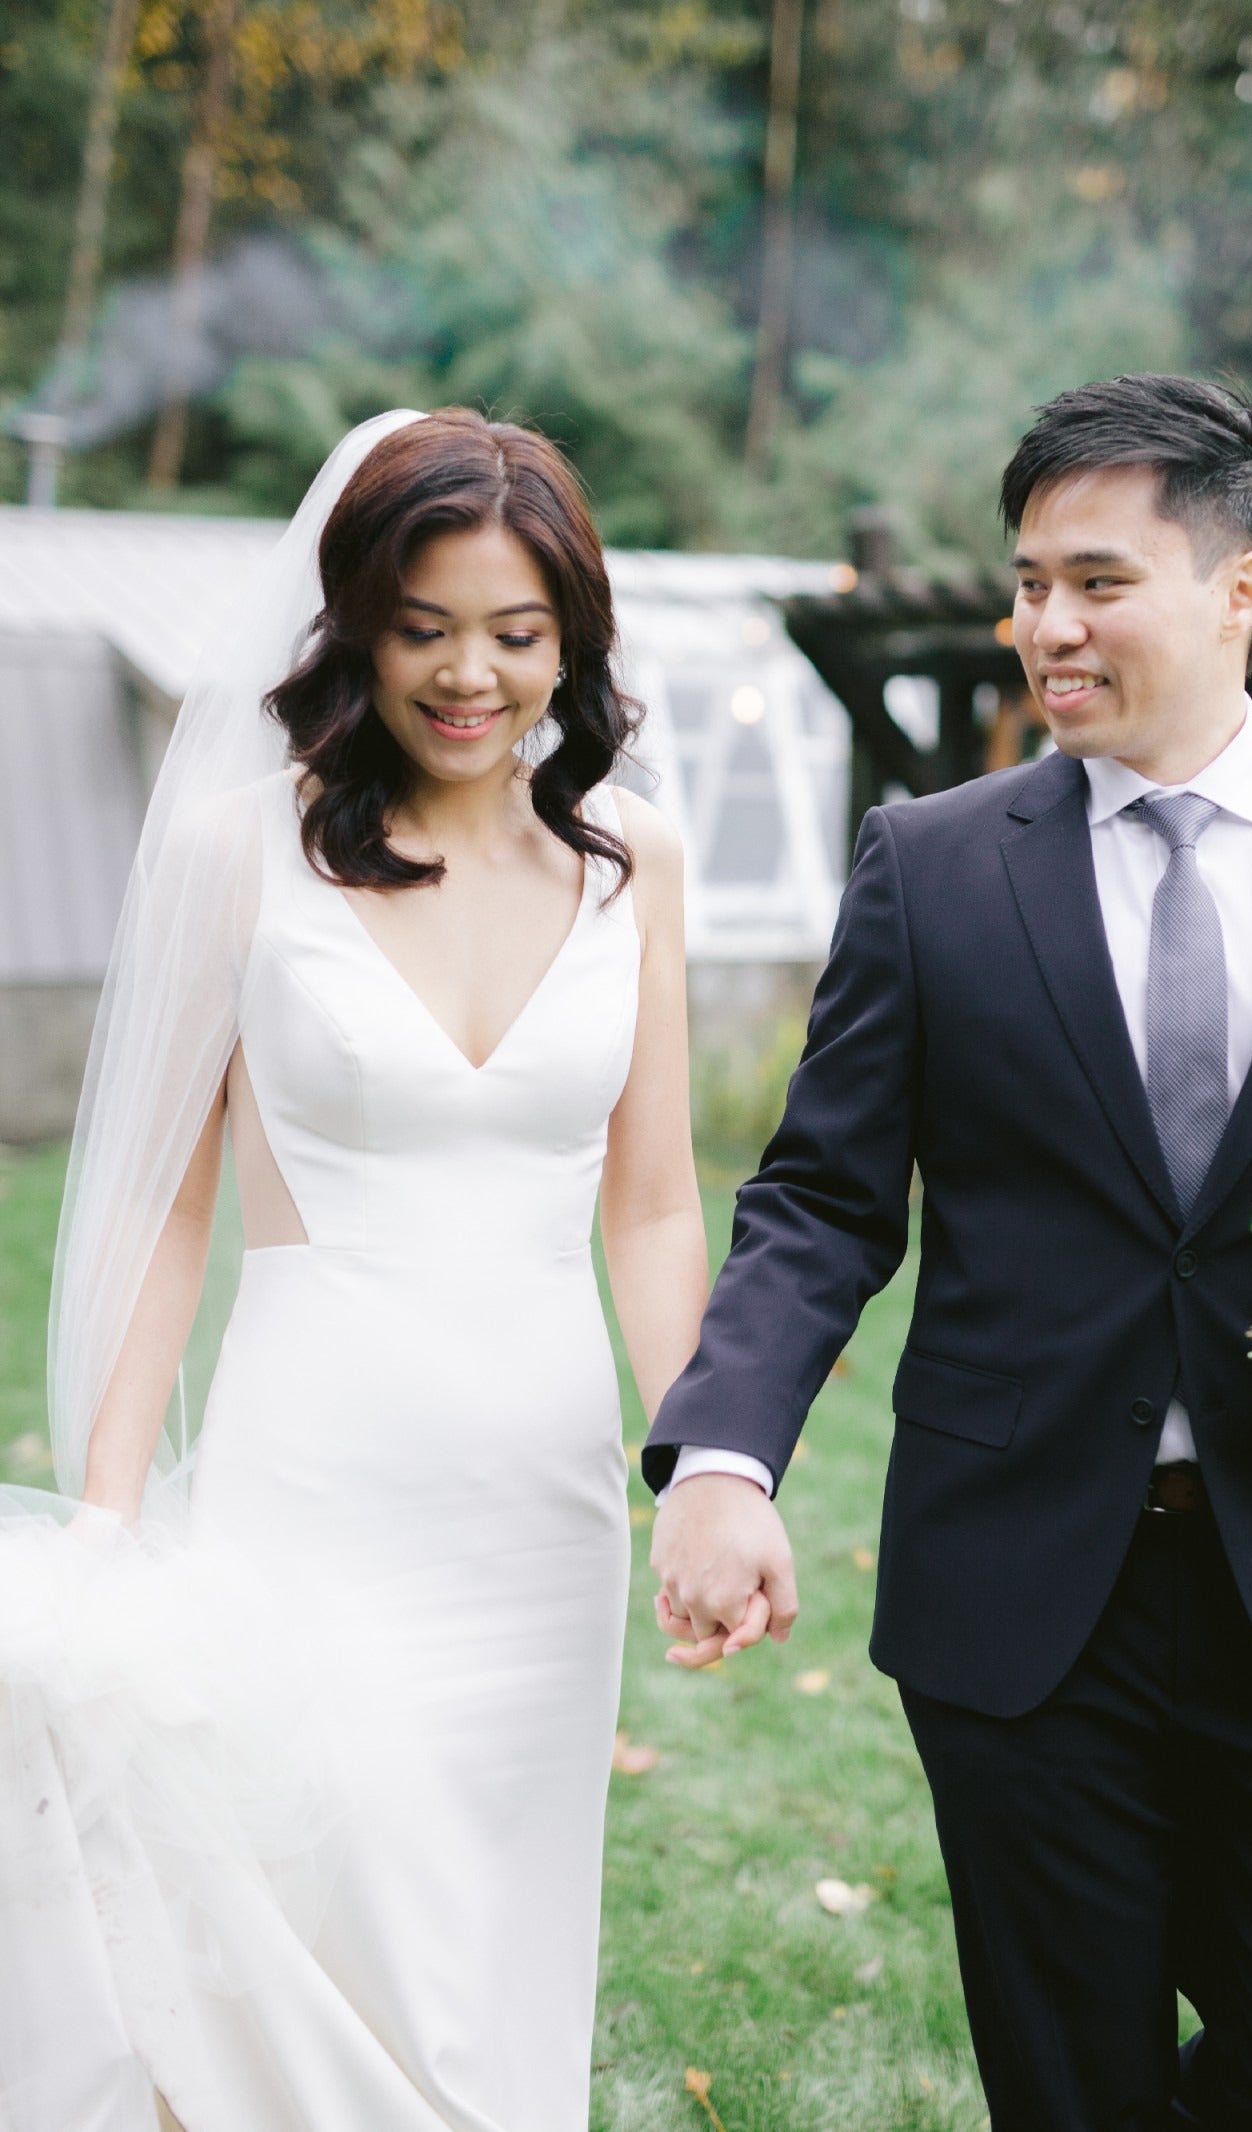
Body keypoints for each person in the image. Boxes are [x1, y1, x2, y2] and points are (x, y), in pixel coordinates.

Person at [646, 375, 1252, 2132]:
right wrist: (726, 1455)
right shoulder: (934, 865)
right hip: (1021, 1591)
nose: (1046, 625)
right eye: (1029, 582)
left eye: (1096, 582)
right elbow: (819, 1195)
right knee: (1073, 2089)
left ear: (1241, 589)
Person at [0, 409, 705, 2132]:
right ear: (355, 629)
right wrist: (104, 1505)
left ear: (574, 643)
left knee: (491, 1938)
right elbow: (165, 1204)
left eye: (517, 636)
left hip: (542, 1515)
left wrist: (699, 1466)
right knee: (294, 1920)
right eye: (424, 628)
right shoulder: (238, 847)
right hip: (312, 1481)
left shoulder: (637, 864)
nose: (472, 676)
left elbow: (657, 1204)